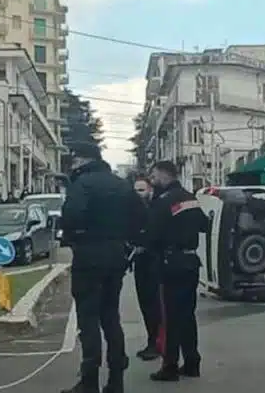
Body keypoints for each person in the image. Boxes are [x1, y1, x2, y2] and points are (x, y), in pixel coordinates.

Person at [60, 144, 144, 393]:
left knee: (88, 319)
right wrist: (124, 239)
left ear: (82, 160)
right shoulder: (121, 185)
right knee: (111, 317)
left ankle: (89, 381)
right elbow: (141, 218)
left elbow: (71, 217)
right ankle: (116, 378)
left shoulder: (82, 184)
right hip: (116, 256)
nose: (73, 166)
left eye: (74, 161)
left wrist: (75, 235)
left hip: (88, 256)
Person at [146, 160, 209, 381]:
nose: (152, 182)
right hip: (191, 263)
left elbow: (151, 235)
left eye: (154, 177)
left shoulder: (162, 202)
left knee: (170, 317)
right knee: (187, 316)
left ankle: (170, 366)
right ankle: (192, 362)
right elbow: (205, 225)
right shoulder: (190, 198)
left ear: (164, 176)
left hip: (170, 264)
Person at [130, 176, 162, 361]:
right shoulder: (133, 211)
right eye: (135, 191)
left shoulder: (156, 208)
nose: (138, 194)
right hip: (139, 262)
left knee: (155, 305)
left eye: (141, 190)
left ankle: (157, 343)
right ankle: (152, 341)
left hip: (154, 262)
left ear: (150, 190)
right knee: (145, 305)